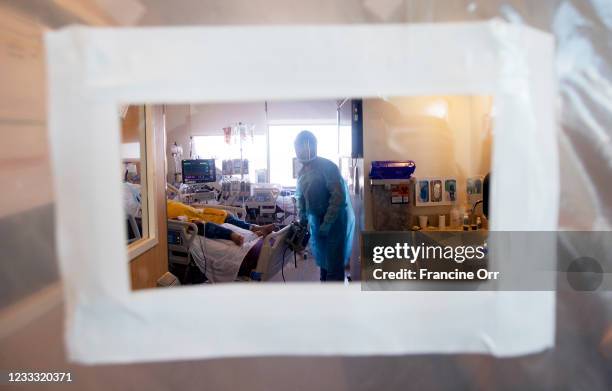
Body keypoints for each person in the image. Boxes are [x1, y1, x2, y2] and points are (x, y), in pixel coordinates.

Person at [294, 130, 355, 282]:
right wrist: (302, 219)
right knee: (323, 263)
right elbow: (300, 196)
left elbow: (338, 197)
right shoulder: (302, 172)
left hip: (334, 224)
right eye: (299, 148)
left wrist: (327, 223)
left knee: (333, 265)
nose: (302, 151)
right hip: (317, 222)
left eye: (304, 147)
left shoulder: (328, 167)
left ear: (313, 147)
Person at [166, 200, 275, 246]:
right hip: (186, 219)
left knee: (225, 216)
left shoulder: (165, 200)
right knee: (201, 224)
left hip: (193, 212)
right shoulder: (157, 212)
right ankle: (232, 235)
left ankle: (254, 228)